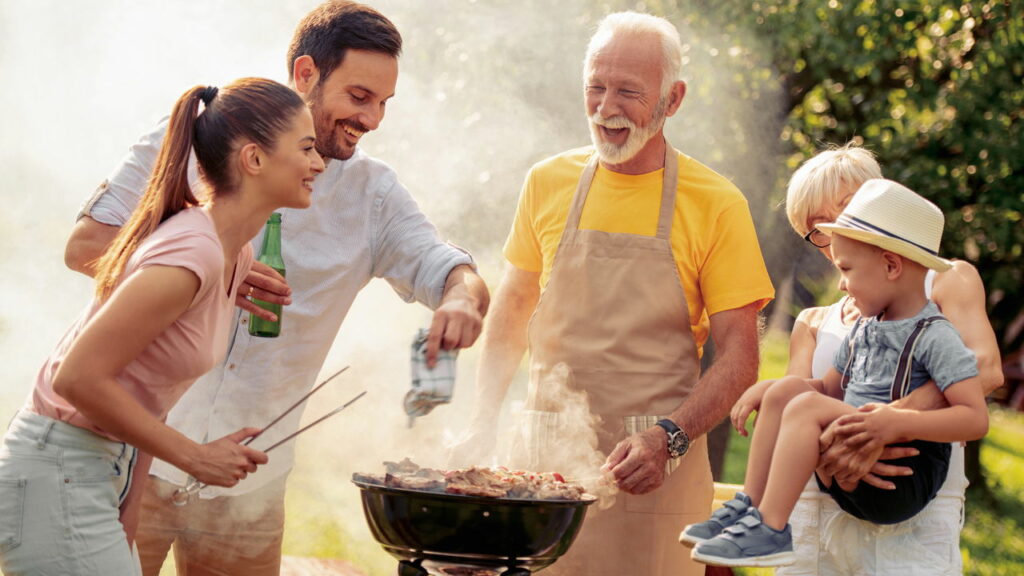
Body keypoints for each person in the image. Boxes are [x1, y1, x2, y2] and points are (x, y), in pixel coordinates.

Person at [63, 2, 489, 574]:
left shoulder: (374, 195)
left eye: (385, 103)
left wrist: (462, 297)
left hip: (251, 484)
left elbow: (448, 267)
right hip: (134, 454)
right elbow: (87, 245)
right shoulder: (193, 143)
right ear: (306, 73)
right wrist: (205, 278)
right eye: (359, 97)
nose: (374, 119)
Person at [452, 11, 774, 576]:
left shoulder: (717, 203)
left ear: (672, 100)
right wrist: (482, 419)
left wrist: (669, 438)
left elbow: (741, 357)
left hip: (658, 472)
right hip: (545, 469)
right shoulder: (546, 181)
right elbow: (510, 315)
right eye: (595, 87)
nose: (607, 107)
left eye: (628, 91)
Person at [0, 77, 324, 575]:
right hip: (58, 470)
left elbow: (153, 389)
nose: (318, 164)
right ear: (254, 159)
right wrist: (195, 457)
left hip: (97, 470)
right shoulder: (191, 254)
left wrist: (127, 504)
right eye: (305, 149)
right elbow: (76, 378)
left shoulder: (230, 252)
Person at [686, 178, 990, 568]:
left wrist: (895, 422)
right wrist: (773, 390)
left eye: (846, 270)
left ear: (892, 265)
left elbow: (975, 417)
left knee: (805, 407)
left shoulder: (935, 335)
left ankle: (772, 530)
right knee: (789, 391)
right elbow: (828, 388)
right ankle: (751, 506)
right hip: (850, 467)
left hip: (904, 470)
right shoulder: (864, 328)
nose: (841, 283)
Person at [761, 144, 1002, 575]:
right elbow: (799, 419)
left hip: (909, 510)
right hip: (822, 507)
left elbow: (984, 367)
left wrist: (887, 420)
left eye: (846, 209)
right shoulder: (814, 321)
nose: (835, 233)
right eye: (818, 228)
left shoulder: (943, 280)